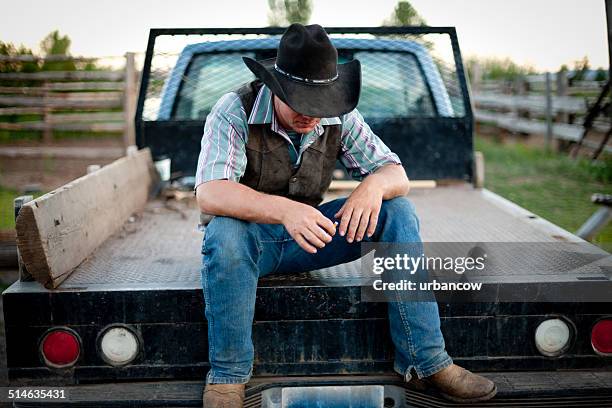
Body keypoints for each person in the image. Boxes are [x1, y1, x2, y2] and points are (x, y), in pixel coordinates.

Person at [195, 23, 496, 407]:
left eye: (320, 103)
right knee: (224, 233)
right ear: (275, 88)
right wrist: (286, 211)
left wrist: (372, 186)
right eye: (301, 101)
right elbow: (210, 193)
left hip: (314, 238)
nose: (312, 115)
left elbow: (395, 173)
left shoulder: (337, 115)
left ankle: (427, 363)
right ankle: (228, 378)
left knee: (397, 210)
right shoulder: (233, 109)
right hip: (253, 243)